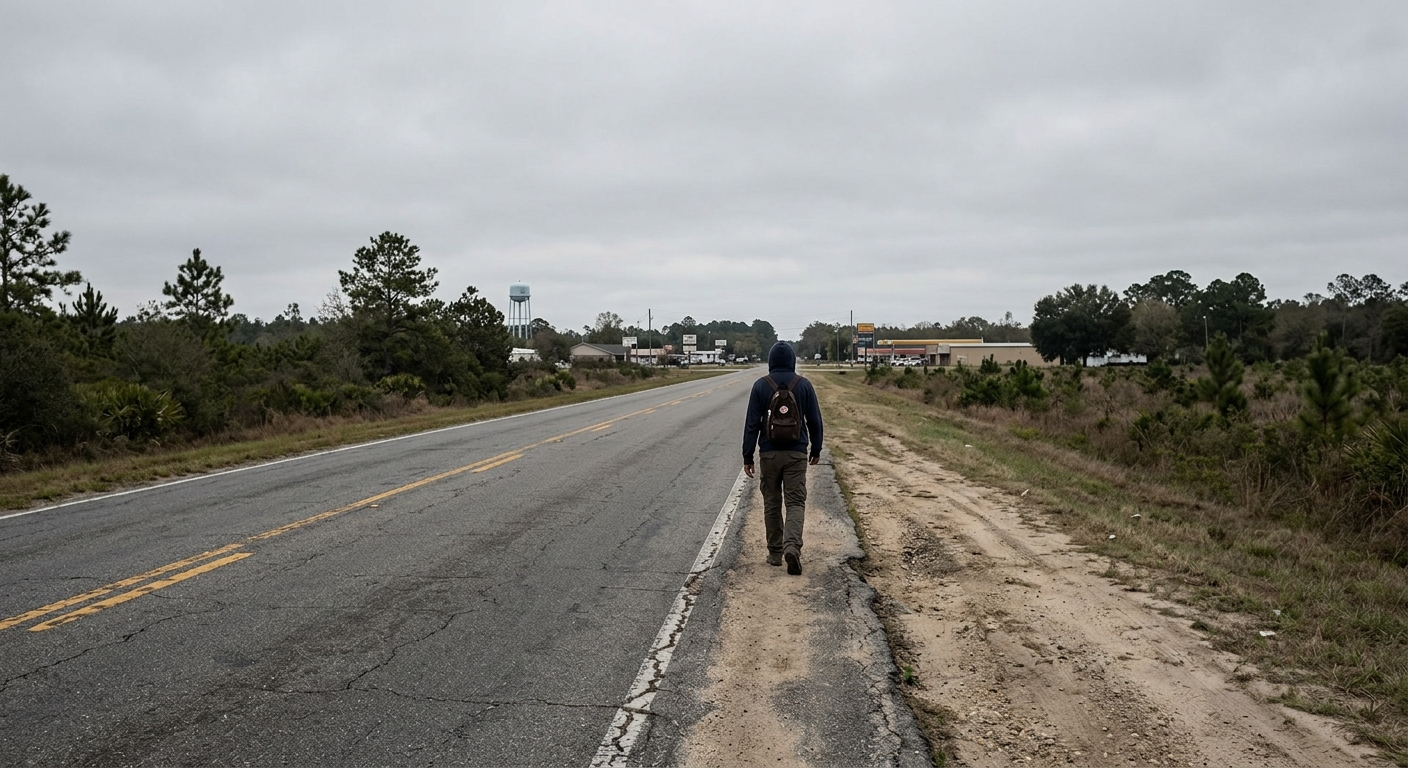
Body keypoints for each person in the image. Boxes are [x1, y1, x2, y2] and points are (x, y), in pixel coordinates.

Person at [742, 341, 824, 575]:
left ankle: (775, 553)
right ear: (792, 361)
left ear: (770, 361)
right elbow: (815, 421)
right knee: (795, 501)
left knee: (772, 501)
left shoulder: (760, 386)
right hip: (796, 452)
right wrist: (816, 448)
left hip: (768, 452)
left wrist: (748, 455)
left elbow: (751, 425)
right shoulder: (804, 385)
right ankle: (792, 547)